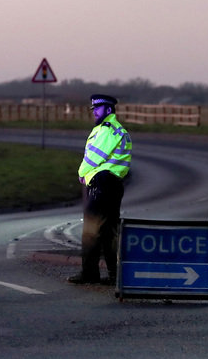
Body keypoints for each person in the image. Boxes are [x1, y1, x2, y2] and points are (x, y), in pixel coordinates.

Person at [68, 94, 132, 285]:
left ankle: (89, 273)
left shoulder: (107, 130)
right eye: (94, 108)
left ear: (109, 110)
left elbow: (95, 157)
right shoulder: (118, 130)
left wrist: (81, 172)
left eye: (98, 108)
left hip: (101, 183)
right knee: (109, 231)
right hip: (112, 184)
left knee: (91, 231)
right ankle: (114, 274)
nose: (94, 112)